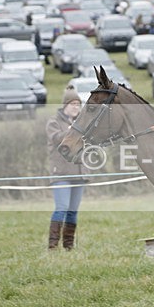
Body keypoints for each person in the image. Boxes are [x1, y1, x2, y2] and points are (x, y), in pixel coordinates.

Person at [46, 86, 85, 250]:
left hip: (79, 173)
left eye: (78, 104)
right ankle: (52, 246)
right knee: (61, 208)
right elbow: (56, 139)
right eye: (73, 104)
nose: (76, 107)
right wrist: (72, 130)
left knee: (73, 211)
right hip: (61, 173)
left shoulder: (82, 123)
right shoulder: (53, 122)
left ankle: (69, 246)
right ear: (65, 105)